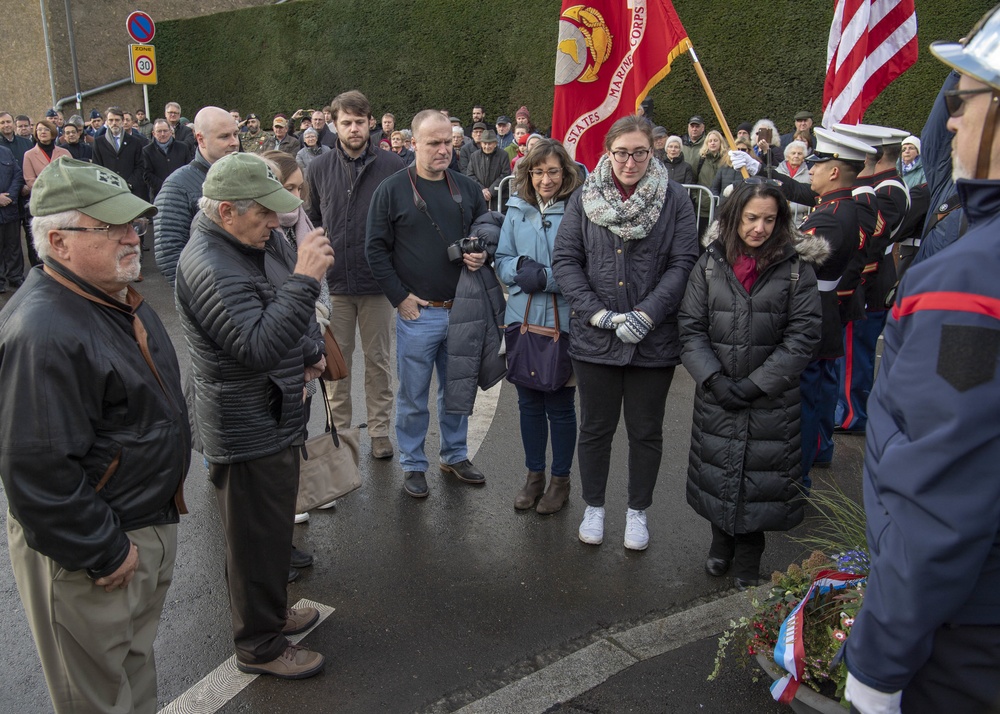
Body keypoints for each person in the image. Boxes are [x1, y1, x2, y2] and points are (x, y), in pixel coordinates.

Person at [843, 8, 1000, 712]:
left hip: (969, 628)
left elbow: (943, 488)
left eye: (959, 101)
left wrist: (878, 662)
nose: (952, 122)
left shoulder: (973, 277)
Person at [0, 156, 190, 713]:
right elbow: (37, 470)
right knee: (97, 699)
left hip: (136, 526)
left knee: (133, 671)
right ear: (58, 241)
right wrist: (104, 551)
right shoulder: (44, 330)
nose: (135, 237)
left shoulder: (111, 296)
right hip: (95, 554)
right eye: (112, 228)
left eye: (133, 223)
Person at [175, 152, 333, 680]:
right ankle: (259, 647)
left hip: (273, 414)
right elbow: (260, 345)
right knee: (250, 544)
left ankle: (272, 616)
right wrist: (307, 280)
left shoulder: (250, 241)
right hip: (244, 427)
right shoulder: (210, 264)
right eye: (264, 213)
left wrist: (311, 350)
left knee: (269, 537)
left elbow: (285, 312)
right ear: (225, 212)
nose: (276, 222)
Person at [552, 115, 699, 550]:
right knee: (595, 428)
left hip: (653, 340)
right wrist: (598, 314)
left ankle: (638, 512)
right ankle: (594, 506)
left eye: (639, 152)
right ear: (607, 153)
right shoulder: (584, 197)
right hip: (595, 339)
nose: (630, 161)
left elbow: (684, 260)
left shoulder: (675, 198)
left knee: (645, 430)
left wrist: (648, 314)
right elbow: (565, 260)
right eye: (621, 152)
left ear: (652, 151)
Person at [679, 181, 824, 589]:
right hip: (717, 393)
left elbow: (803, 337)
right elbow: (691, 329)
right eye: (751, 218)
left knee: (760, 481)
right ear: (733, 217)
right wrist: (713, 378)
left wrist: (757, 385)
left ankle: (748, 559)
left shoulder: (796, 269)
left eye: (769, 219)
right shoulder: (709, 263)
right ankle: (720, 543)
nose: (759, 228)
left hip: (771, 400)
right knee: (718, 471)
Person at [366, 109, 489, 498]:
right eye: (433, 142)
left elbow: (487, 228)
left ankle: (454, 455)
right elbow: (374, 249)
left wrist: (482, 252)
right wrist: (400, 298)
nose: (443, 150)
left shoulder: (467, 188)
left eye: (448, 142)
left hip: (463, 310)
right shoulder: (391, 189)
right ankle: (414, 463)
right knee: (413, 396)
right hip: (418, 314)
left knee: (456, 392)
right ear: (413, 143)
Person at [306, 90, 405, 460]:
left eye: (359, 122)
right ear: (334, 124)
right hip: (336, 285)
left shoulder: (393, 166)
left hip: (378, 284)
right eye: (345, 122)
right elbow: (312, 220)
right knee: (336, 363)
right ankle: (342, 435)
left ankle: (379, 431)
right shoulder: (318, 168)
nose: (353, 129)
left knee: (378, 360)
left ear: (370, 123)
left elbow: (402, 223)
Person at [495, 140, 582, 514]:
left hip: (564, 322)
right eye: (538, 171)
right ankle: (534, 477)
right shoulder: (516, 209)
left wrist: (546, 278)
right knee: (528, 404)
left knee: (560, 406)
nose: (545, 179)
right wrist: (519, 271)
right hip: (522, 319)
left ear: (565, 173)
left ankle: (560, 481)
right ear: (528, 173)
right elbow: (501, 259)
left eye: (552, 171)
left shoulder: (580, 210)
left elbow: (587, 267)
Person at [154, 106, 240, 286]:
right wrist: (201, 296)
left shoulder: (245, 175)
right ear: (200, 139)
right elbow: (169, 252)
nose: (234, 142)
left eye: (236, 134)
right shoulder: (177, 185)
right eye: (224, 136)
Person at [92, 107, 146, 201]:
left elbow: (140, 166)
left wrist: (129, 183)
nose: (114, 123)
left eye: (117, 120)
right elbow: (97, 167)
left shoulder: (135, 142)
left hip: (131, 191)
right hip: (109, 192)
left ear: (122, 121)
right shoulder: (99, 142)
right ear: (107, 122)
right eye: (111, 120)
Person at [465, 129, 511, 206]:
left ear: (495, 144)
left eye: (490, 144)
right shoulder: (474, 156)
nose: (487, 146)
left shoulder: (503, 155)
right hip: (479, 198)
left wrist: (491, 191)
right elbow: (470, 175)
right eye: (484, 143)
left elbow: (505, 174)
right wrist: (482, 189)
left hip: (499, 199)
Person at [0, 143, 23, 293]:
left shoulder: (6, 152)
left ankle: (15, 277)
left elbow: (17, 175)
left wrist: (10, 196)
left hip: (10, 208)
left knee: (13, 245)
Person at [694, 129, 724, 236]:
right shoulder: (700, 159)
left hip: (720, 206)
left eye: (715, 140)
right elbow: (694, 178)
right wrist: (695, 198)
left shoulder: (726, 160)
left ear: (721, 142)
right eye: (710, 141)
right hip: (702, 206)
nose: (712, 143)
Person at [776, 140, 811, 225]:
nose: (796, 156)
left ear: (804, 157)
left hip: (799, 221)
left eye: (799, 153)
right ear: (787, 156)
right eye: (793, 153)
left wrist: (789, 207)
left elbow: (809, 198)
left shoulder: (810, 174)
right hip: (778, 219)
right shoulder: (777, 173)